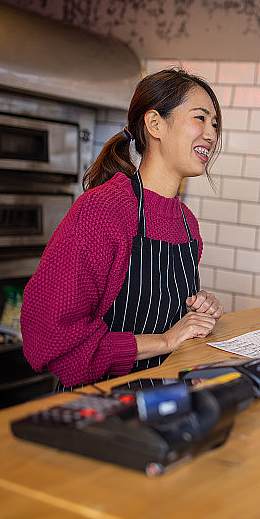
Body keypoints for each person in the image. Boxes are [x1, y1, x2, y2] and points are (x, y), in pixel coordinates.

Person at [22, 68, 225, 390]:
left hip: (168, 394)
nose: (211, 134)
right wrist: (165, 340)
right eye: (200, 118)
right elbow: (51, 334)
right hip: (101, 403)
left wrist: (197, 309)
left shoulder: (186, 221)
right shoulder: (102, 211)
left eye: (214, 123)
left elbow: (162, 310)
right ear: (155, 123)